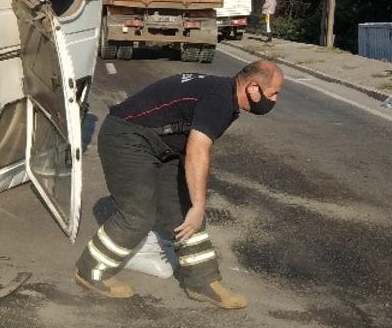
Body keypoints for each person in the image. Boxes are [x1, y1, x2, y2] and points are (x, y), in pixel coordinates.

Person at [73, 60, 284, 310]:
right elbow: (197, 150)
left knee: (182, 211)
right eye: (274, 93)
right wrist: (198, 204)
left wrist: (190, 204)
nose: (275, 100)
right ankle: (90, 270)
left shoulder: (224, 93)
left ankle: (202, 282)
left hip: (159, 143)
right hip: (126, 136)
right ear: (252, 88)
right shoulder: (220, 101)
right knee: (138, 213)